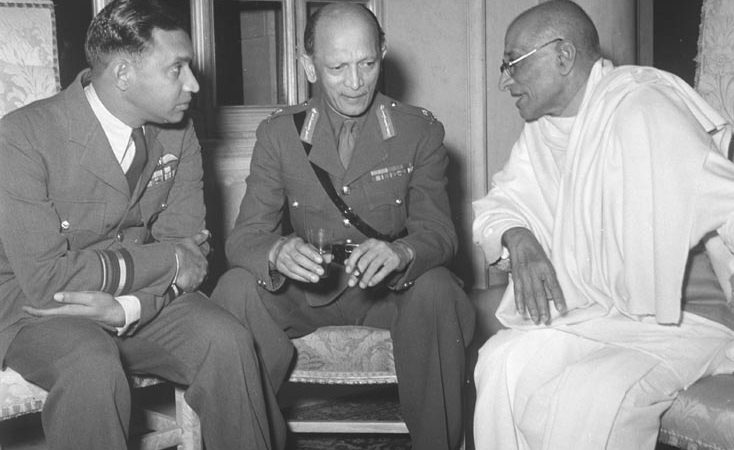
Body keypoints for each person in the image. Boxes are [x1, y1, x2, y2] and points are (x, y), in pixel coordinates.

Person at [0, 1, 284, 449]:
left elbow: (193, 261)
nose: (193, 84)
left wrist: (130, 308)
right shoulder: (22, 137)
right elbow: (46, 279)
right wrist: (169, 258)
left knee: (226, 340)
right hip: (39, 313)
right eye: (177, 69)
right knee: (90, 363)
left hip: (141, 300)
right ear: (123, 75)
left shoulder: (178, 132)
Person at [209, 3, 475, 449]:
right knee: (235, 289)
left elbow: (440, 233)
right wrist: (276, 251)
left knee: (438, 289)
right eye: (337, 68)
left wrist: (403, 252)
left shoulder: (418, 131)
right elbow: (245, 238)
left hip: (390, 294)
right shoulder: (280, 135)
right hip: (307, 292)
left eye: (367, 63)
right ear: (309, 67)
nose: (356, 83)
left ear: (382, 54)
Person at [472, 1, 734, 448]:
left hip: (686, 322)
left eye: (513, 63)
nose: (504, 81)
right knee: (502, 362)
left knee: (588, 394)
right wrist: (519, 237)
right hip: (606, 316)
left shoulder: (642, 106)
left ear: (563, 56)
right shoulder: (543, 129)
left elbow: (725, 201)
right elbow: (501, 205)